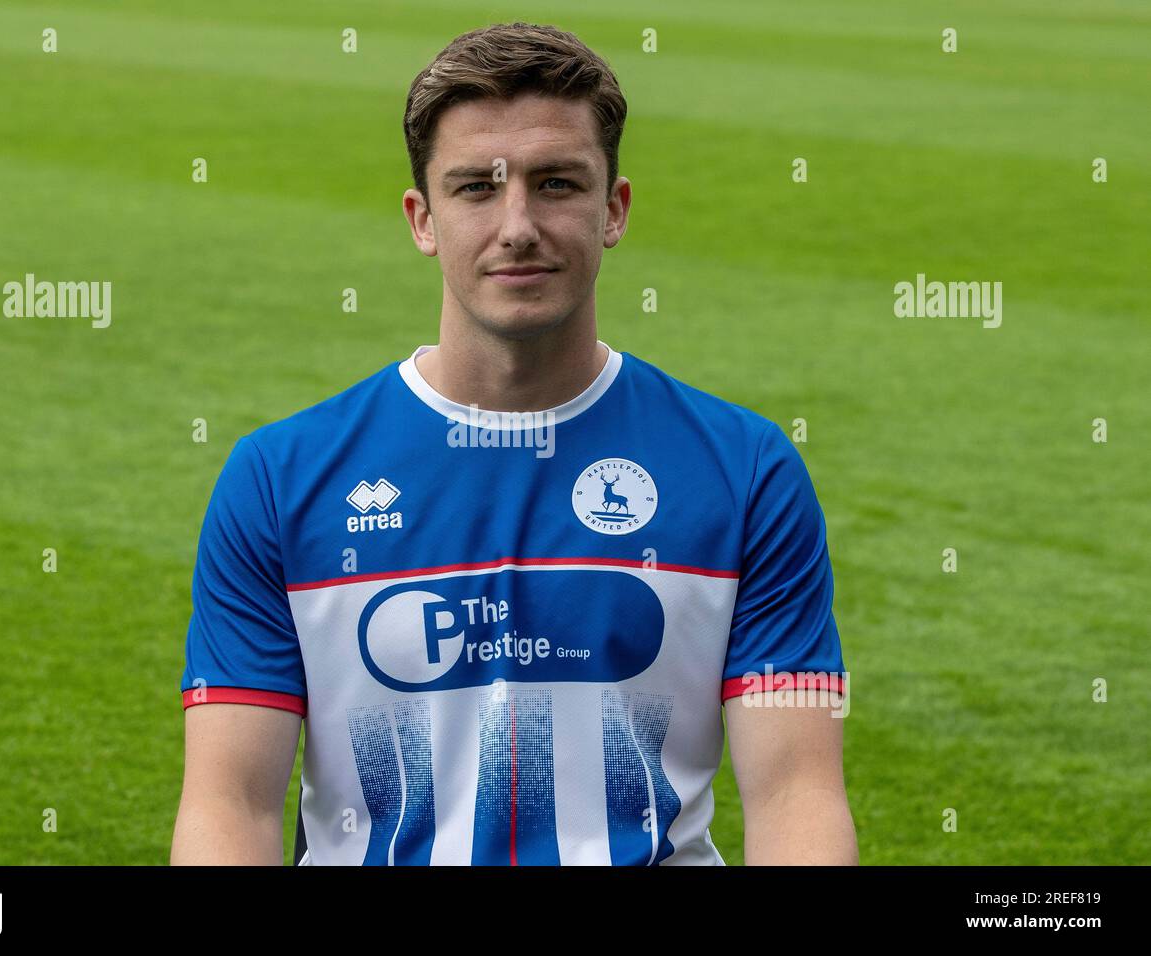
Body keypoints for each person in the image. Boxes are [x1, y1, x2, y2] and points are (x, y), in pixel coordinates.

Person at [171, 21, 857, 866]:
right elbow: (230, 806)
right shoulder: (280, 481)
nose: (519, 224)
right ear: (423, 220)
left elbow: (798, 798)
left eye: (557, 183)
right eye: (476, 189)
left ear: (614, 210)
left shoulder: (746, 470)